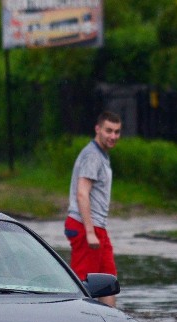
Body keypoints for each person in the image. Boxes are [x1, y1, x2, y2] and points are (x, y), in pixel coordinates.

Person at [64, 111, 122, 307]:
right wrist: (90, 232)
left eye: (117, 132)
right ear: (98, 129)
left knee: (108, 281)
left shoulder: (101, 155)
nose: (113, 136)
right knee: (83, 284)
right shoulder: (92, 155)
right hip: (85, 227)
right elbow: (82, 193)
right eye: (109, 131)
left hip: (98, 227)